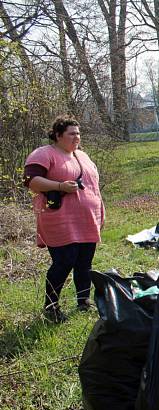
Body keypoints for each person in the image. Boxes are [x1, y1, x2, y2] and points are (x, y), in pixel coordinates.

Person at [24, 115, 105, 322]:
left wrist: (100, 213)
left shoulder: (83, 156)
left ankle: (83, 300)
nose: (77, 137)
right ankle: (51, 307)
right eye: (72, 133)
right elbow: (30, 180)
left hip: (87, 219)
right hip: (59, 219)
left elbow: (94, 187)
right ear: (58, 135)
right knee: (64, 262)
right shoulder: (44, 153)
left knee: (84, 261)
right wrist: (59, 186)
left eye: (78, 133)